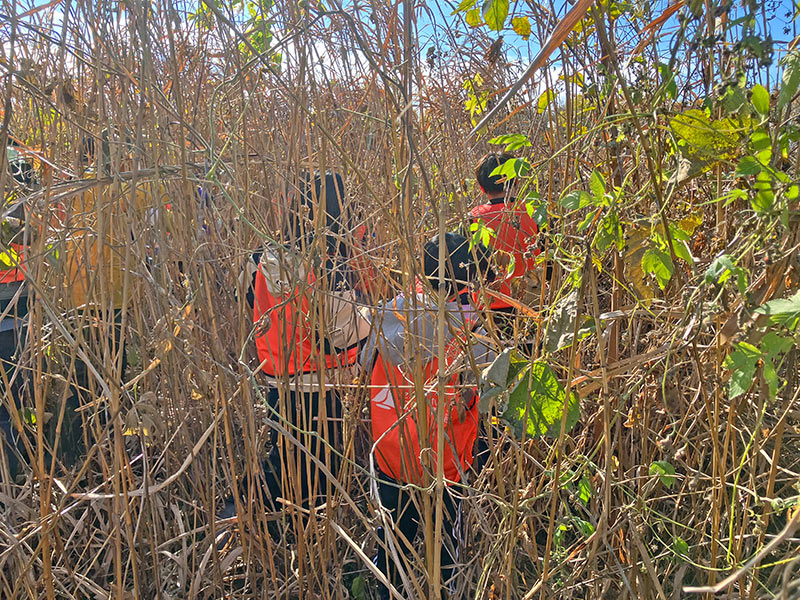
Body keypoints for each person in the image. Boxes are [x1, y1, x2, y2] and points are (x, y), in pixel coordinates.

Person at [361, 232, 494, 599]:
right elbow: (489, 388)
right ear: (467, 279)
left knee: (394, 548)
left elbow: (363, 359)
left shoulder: (392, 313)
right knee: (450, 551)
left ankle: (390, 591)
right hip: (446, 464)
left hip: (390, 454)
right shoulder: (472, 330)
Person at [240, 171, 371, 518]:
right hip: (320, 380)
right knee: (319, 465)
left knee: (283, 453)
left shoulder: (262, 255)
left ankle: (266, 520)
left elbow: (249, 300)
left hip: (277, 374)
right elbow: (342, 335)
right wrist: (372, 314)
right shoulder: (330, 264)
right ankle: (303, 527)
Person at [468, 151, 545, 336]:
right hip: (532, 306)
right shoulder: (535, 212)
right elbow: (548, 261)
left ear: (481, 187)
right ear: (516, 181)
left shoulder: (473, 219)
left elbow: (469, 267)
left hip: (489, 308)